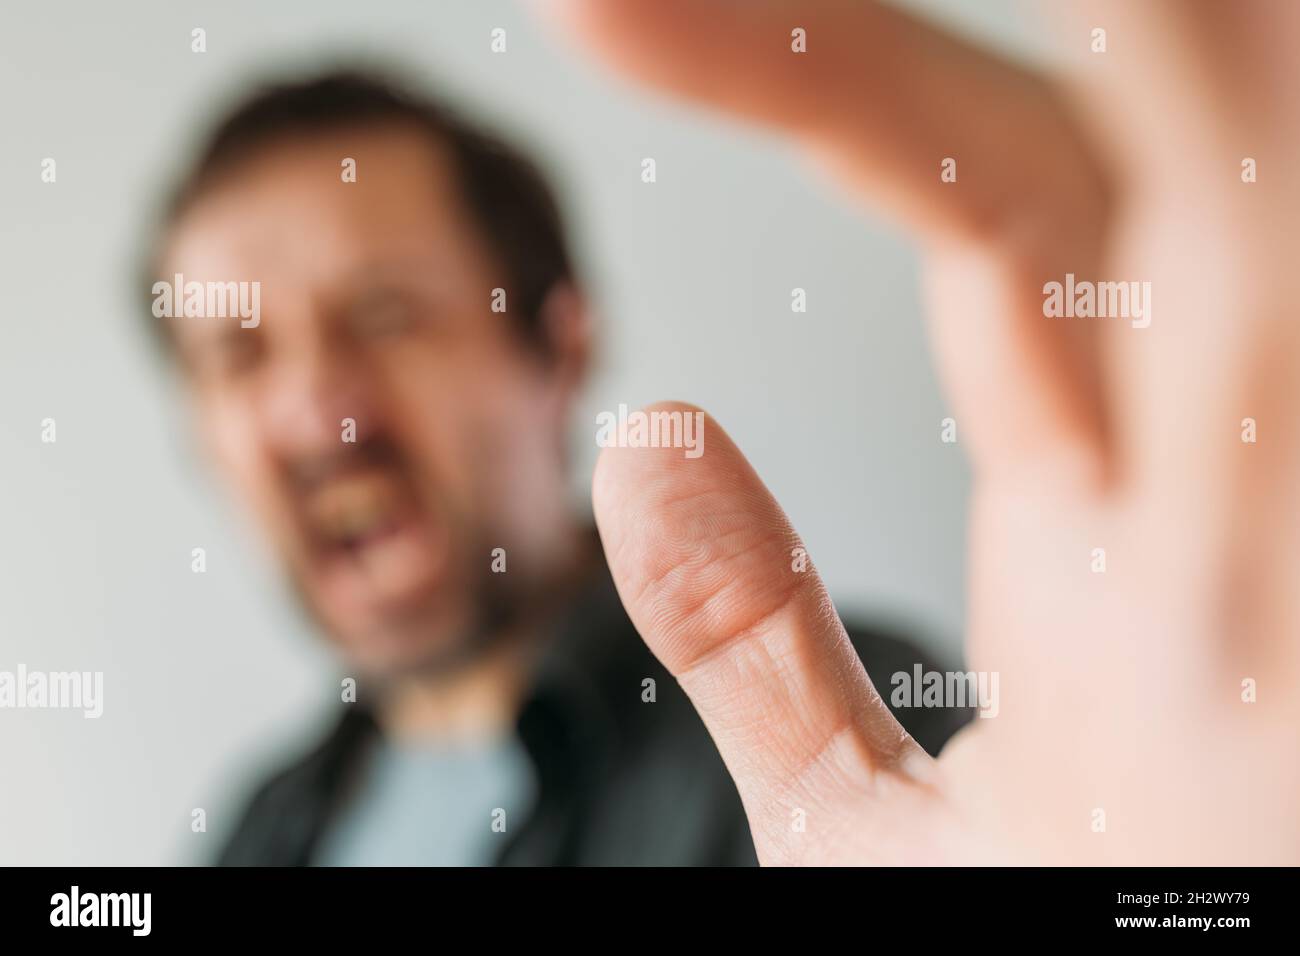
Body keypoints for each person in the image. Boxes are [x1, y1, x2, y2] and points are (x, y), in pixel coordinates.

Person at [141, 67, 969, 866]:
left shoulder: (849, 723)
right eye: (237, 355)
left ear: (561, 350)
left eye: (386, 316)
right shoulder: (256, 831)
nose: (319, 416)